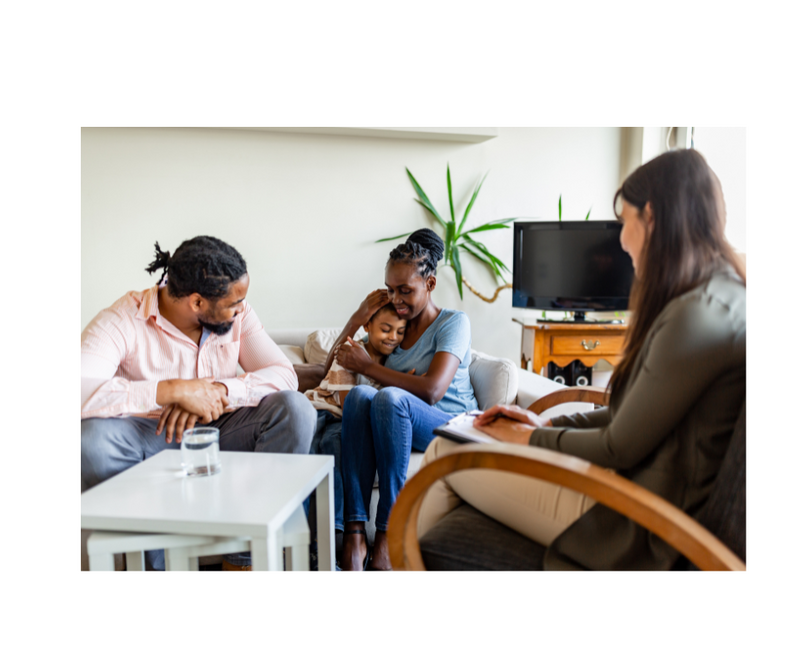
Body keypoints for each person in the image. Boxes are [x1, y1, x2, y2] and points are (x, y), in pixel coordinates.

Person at [416, 149, 746, 570]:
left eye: (624, 222)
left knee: (445, 451)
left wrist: (529, 439)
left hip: (638, 523)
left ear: (654, 217)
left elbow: (618, 445)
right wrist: (547, 424)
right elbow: (628, 418)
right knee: (455, 451)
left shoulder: (696, 316)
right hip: (641, 495)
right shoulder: (723, 297)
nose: (621, 241)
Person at [81, 235, 317, 570]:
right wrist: (172, 390)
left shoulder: (239, 314)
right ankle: (155, 567)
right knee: (91, 442)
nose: (241, 308)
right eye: (234, 302)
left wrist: (219, 391)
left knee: (295, 409)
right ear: (196, 303)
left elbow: (282, 374)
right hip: (152, 435)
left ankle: (243, 560)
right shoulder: (123, 319)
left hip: (222, 429)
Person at [333, 229, 478, 570]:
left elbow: (431, 390)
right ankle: (355, 534)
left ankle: (387, 533)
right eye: (390, 290)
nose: (396, 299)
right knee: (359, 395)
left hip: (450, 426)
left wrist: (372, 367)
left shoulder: (454, 323)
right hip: (397, 420)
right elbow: (342, 359)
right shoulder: (394, 327)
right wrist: (357, 320)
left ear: (429, 285)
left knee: (389, 398)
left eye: (405, 291)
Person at [306, 303, 407, 544]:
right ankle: (314, 536)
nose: (393, 337)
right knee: (316, 452)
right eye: (386, 329)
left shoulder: (394, 363)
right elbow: (348, 405)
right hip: (322, 411)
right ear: (367, 326)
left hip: (343, 424)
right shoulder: (349, 353)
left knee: (336, 447)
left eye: (400, 332)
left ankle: (335, 532)